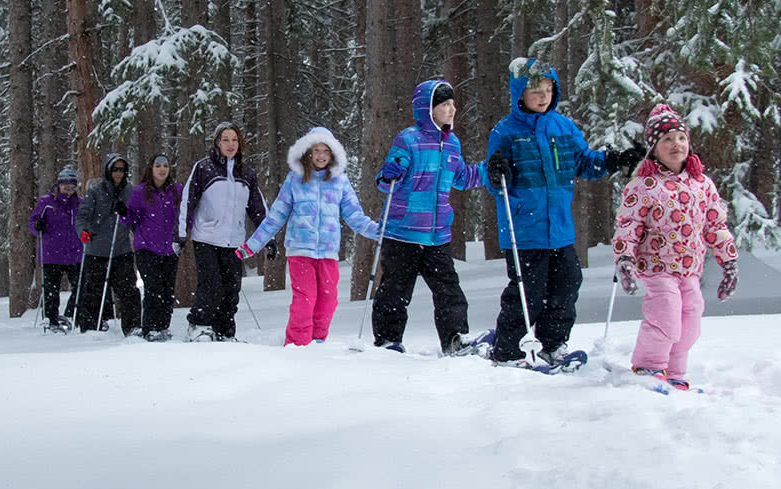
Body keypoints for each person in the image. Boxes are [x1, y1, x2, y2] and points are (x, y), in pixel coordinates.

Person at [483, 59, 646, 367]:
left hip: (559, 228)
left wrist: (615, 160)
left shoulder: (564, 127)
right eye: (536, 91)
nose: (543, 96)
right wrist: (495, 172)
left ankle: (552, 343)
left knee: (568, 283)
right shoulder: (505, 132)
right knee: (526, 292)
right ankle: (507, 350)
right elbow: (494, 182)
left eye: (548, 89)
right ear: (520, 93)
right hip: (525, 230)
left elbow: (584, 162)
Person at [610, 104, 738, 392]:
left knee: (691, 318)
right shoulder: (643, 185)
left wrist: (728, 263)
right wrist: (625, 260)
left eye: (681, 138)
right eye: (667, 139)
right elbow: (628, 226)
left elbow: (716, 226)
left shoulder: (702, 184)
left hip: (690, 268)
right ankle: (649, 366)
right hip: (656, 267)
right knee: (666, 313)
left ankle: (675, 372)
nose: (676, 144)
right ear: (654, 148)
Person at [368, 80, 487, 355]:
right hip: (403, 233)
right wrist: (389, 173)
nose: (452, 109)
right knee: (395, 291)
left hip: (437, 235)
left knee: (449, 290)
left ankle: (454, 338)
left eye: (453, 104)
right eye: (444, 104)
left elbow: (460, 178)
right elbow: (386, 183)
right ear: (428, 108)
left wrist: (485, 170)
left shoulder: (452, 143)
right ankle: (388, 340)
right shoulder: (408, 139)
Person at [236, 128, 382, 347]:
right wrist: (252, 246)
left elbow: (354, 215)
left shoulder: (340, 182)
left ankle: (318, 341)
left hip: (328, 252)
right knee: (305, 299)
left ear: (332, 155)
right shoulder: (295, 180)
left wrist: (378, 230)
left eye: (326, 151)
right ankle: (298, 344)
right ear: (308, 153)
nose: (321, 155)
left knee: (328, 302)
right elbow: (275, 217)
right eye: (316, 150)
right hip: (300, 251)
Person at [179, 122, 267, 342]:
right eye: (225, 140)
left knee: (231, 288)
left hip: (234, 241)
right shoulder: (203, 168)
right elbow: (187, 202)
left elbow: (258, 207)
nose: (230, 144)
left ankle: (224, 331)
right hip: (206, 237)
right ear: (217, 143)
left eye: (234, 140)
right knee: (211, 284)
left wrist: (268, 238)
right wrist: (181, 234)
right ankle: (199, 326)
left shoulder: (246, 172)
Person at [74, 153, 142, 334]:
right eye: (115, 169)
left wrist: (127, 212)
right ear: (108, 170)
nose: (118, 173)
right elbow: (82, 216)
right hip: (96, 249)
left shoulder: (130, 191)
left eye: (121, 170)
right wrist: (83, 231)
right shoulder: (96, 190)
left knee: (128, 290)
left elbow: (136, 218)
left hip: (121, 249)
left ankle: (133, 327)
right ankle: (90, 326)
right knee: (93, 290)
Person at [125, 154, 184, 342]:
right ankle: (150, 327)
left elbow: (186, 215)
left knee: (168, 290)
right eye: (158, 165)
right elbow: (130, 218)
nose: (162, 169)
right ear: (151, 169)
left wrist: (182, 234)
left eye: (165, 165)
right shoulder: (140, 191)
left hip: (170, 248)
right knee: (154, 288)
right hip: (147, 248)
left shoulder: (177, 190)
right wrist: (122, 212)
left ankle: (163, 326)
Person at [28, 166, 84, 332]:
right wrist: (38, 226)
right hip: (51, 253)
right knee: (51, 291)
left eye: (72, 184)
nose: (68, 187)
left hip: (75, 253)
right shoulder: (46, 202)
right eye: (65, 184)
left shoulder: (80, 204)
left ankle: (69, 315)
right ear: (59, 184)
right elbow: (33, 222)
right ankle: (51, 319)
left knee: (81, 287)